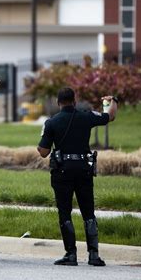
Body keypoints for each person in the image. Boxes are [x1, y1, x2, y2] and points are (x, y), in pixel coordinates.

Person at [37, 87, 118, 267]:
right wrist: (112, 101)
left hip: (62, 172)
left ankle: (71, 254)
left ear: (58, 103)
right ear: (75, 101)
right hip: (84, 170)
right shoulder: (86, 116)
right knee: (88, 211)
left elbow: (43, 152)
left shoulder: (51, 122)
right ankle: (94, 255)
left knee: (65, 212)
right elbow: (109, 116)